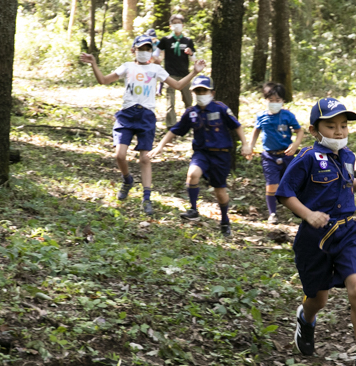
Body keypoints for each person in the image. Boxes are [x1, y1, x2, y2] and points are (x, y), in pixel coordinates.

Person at [275, 98, 356, 366]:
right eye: (331, 126)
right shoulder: (306, 158)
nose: (339, 132)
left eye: (343, 126)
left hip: (347, 231)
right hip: (314, 237)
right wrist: (307, 214)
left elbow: (346, 182)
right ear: (315, 130)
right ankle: (306, 318)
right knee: (318, 299)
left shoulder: (348, 156)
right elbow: (284, 192)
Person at [80, 35, 206, 215]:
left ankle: (146, 198)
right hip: (126, 114)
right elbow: (103, 80)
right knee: (119, 155)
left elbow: (177, 85)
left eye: (148, 49)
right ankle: (127, 180)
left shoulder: (156, 69)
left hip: (146, 116)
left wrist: (194, 72)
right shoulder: (127, 66)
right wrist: (93, 63)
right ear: (134, 50)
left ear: (151, 51)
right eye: (141, 49)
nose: (144, 52)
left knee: (145, 158)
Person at [148, 75, 252, 236]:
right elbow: (175, 130)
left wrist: (246, 145)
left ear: (212, 93)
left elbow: (236, 126)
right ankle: (193, 209)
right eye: (197, 91)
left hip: (221, 155)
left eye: (204, 91)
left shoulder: (221, 108)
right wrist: (160, 146)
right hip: (202, 153)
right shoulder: (191, 112)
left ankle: (225, 221)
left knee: (220, 192)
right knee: (192, 175)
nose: (201, 94)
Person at [249, 83, 304, 224]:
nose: (274, 103)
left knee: (291, 182)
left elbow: (299, 131)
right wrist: (250, 146)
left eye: (278, 100)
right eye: (271, 100)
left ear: (283, 101)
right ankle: (272, 213)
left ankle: (297, 209)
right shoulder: (261, 116)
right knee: (272, 184)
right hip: (269, 156)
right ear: (265, 100)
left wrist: (295, 144)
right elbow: (256, 131)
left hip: (286, 155)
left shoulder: (287, 116)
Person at [157, 14, 196, 128]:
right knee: (171, 102)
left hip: (185, 75)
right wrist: (157, 60)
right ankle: (171, 125)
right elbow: (156, 53)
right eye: (174, 23)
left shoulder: (188, 41)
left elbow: (194, 59)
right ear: (170, 26)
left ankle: (189, 123)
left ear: (183, 25)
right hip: (170, 75)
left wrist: (191, 53)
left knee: (188, 102)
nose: (177, 25)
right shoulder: (166, 40)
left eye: (179, 23)